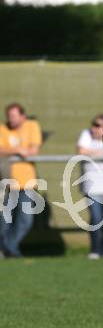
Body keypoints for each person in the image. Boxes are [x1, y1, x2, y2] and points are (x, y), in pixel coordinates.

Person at [0, 103, 42, 257]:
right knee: (4, 221)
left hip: (27, 183)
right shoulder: (2, 129)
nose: (10, 119)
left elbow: (33, 151)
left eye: (13, 116)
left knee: (26, 220)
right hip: (5, 183)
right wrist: (17, 150)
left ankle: (9, 247)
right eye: (8, 116)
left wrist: (8, 152)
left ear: (23, 116)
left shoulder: (32, 126)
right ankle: (10, 250)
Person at [77, 114, 103, 260]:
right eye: (94, 125)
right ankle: (95, 250)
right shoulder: (86, 135)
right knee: (96, 220)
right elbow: (81, 151)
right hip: (91, 187)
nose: (95, 128)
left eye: (100, 125)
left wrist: (98, 151)